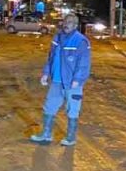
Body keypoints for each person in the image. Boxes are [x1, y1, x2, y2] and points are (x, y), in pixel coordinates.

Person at [31, 12, 91, 146]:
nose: (66, 25)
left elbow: (84, 63)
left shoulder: (80, 41)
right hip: (57, 80)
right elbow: (51, 57)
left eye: (69, 22)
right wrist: (46, 73)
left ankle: (70, 138)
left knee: (72, 108)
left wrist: (78, 79)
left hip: (71, 82)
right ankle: (46, 134)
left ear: (75, 25)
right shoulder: (57, 38)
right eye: (65, 22)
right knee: (49, 106)